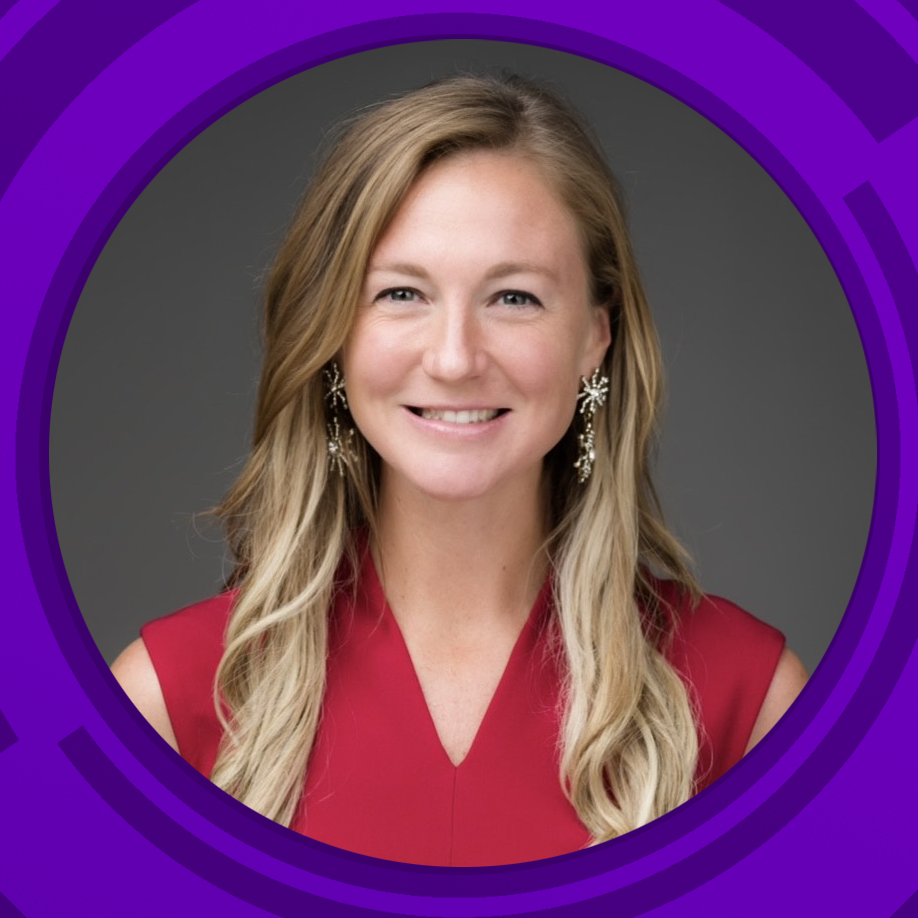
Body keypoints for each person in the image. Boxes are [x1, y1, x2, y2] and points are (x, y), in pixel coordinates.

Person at [112, 73, 808, 866]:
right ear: (334, 332)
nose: (453, 359)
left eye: (514, 298)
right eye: (402, 293)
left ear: (595, 338)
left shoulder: (745, 702)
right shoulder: (169, 703)